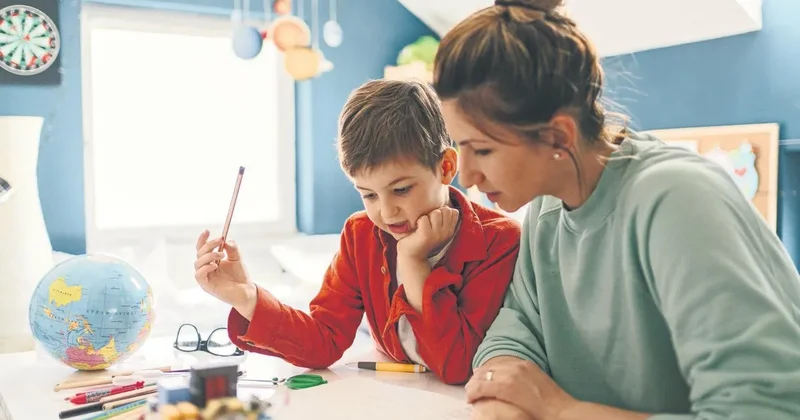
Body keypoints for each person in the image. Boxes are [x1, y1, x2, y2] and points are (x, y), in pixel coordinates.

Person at [432, 0, 800, 418]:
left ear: (558, 137)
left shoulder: (677, 202)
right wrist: (503, 384)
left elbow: (767, 411)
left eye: (482, 149)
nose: (468, 177)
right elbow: (516, 329)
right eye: (462, 147)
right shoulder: (546, 212)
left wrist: (558, 410)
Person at [192, 79, 521, 385]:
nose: (387, 212)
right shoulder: (361, 233)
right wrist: (246, 296)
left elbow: (458, 366)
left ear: (446, 167)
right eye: (369, 195)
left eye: (402, 189)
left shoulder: (500, 241)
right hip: (390, 397)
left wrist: (413, 263)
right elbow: (324, 341)